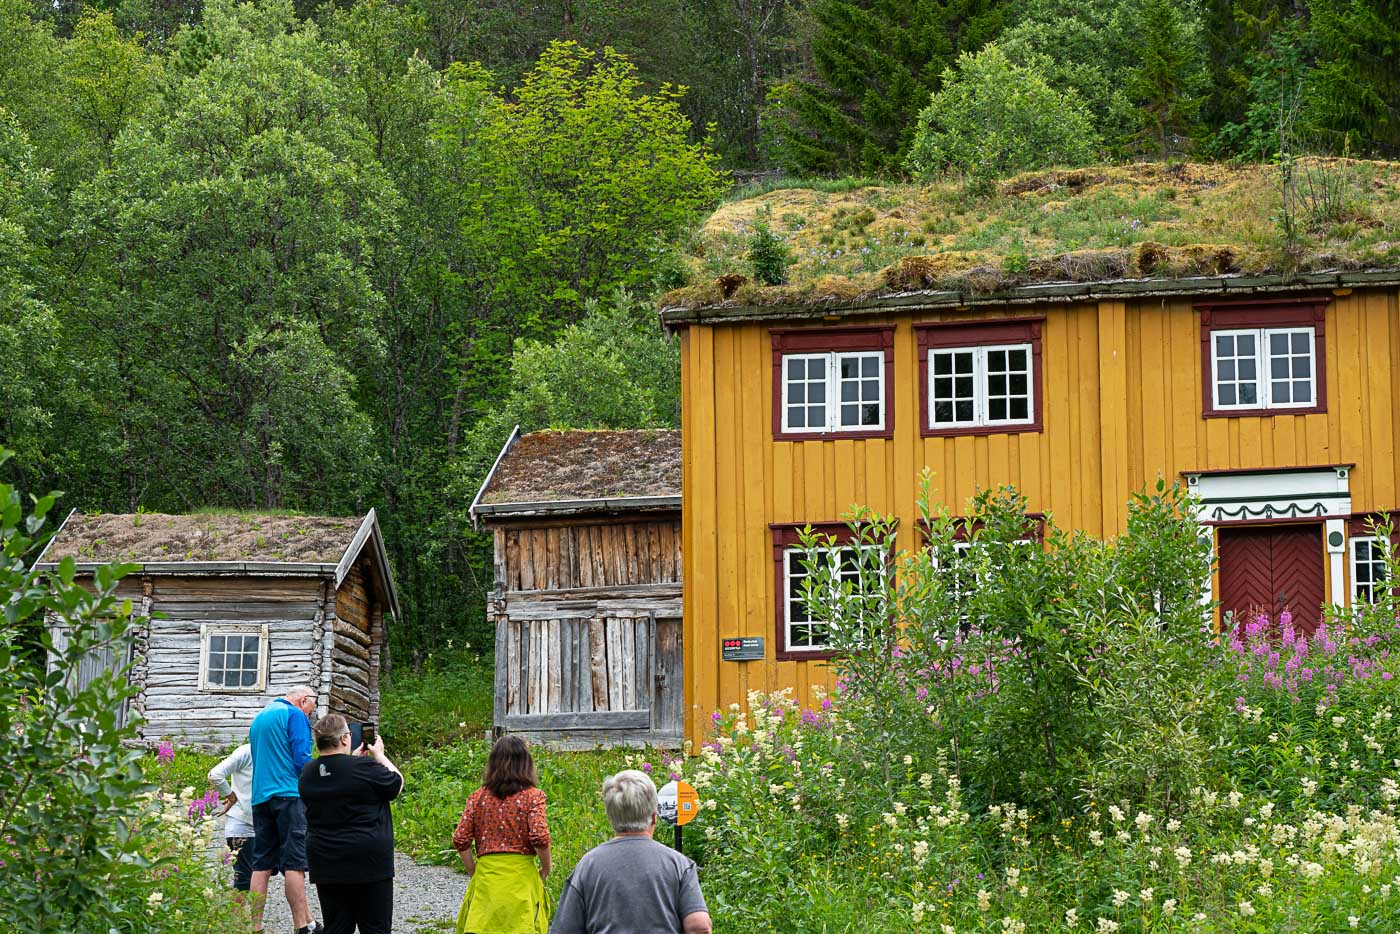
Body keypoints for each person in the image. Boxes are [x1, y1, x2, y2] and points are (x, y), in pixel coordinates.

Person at [550, 770, 711, 934]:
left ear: (610, 817)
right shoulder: (678, 864)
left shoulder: (588, 865)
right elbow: (699, 927)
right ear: (654, 817)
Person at [299, 713, 404, 934]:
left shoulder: (307, 772)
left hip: (326, 859)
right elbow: (396, 783)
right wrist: (380, 756)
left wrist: (354, 759)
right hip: (368, 860)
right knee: (375, 927)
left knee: (337, 927)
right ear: (345, 739)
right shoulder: (364, 767)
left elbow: (337, 775)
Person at [451, 735, 552, 934]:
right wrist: (546, 869)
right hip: (521, 879)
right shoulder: (533, 797)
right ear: (526, 764)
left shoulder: (477, 797)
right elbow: (539, 837)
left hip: (487, 878)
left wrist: (473, 871)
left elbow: (460, 838)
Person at [249, 685, 321, 934]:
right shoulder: (295, 715)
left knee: (261, 865)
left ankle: (254, 927)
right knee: (294, 863)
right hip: (289, 796)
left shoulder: (260, 717)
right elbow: (302, 759)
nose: (311, 714)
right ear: (304, 700)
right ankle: (302, 927)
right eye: (313, 707)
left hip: (260, 797)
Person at [207, 743, 256, 899]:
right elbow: (215, 774)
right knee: (244, 882)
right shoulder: (247, 751)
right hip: (242, 825)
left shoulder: (266, 750)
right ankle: (238, 922)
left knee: (253, 879)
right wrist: (230, 795)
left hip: (260, 824)